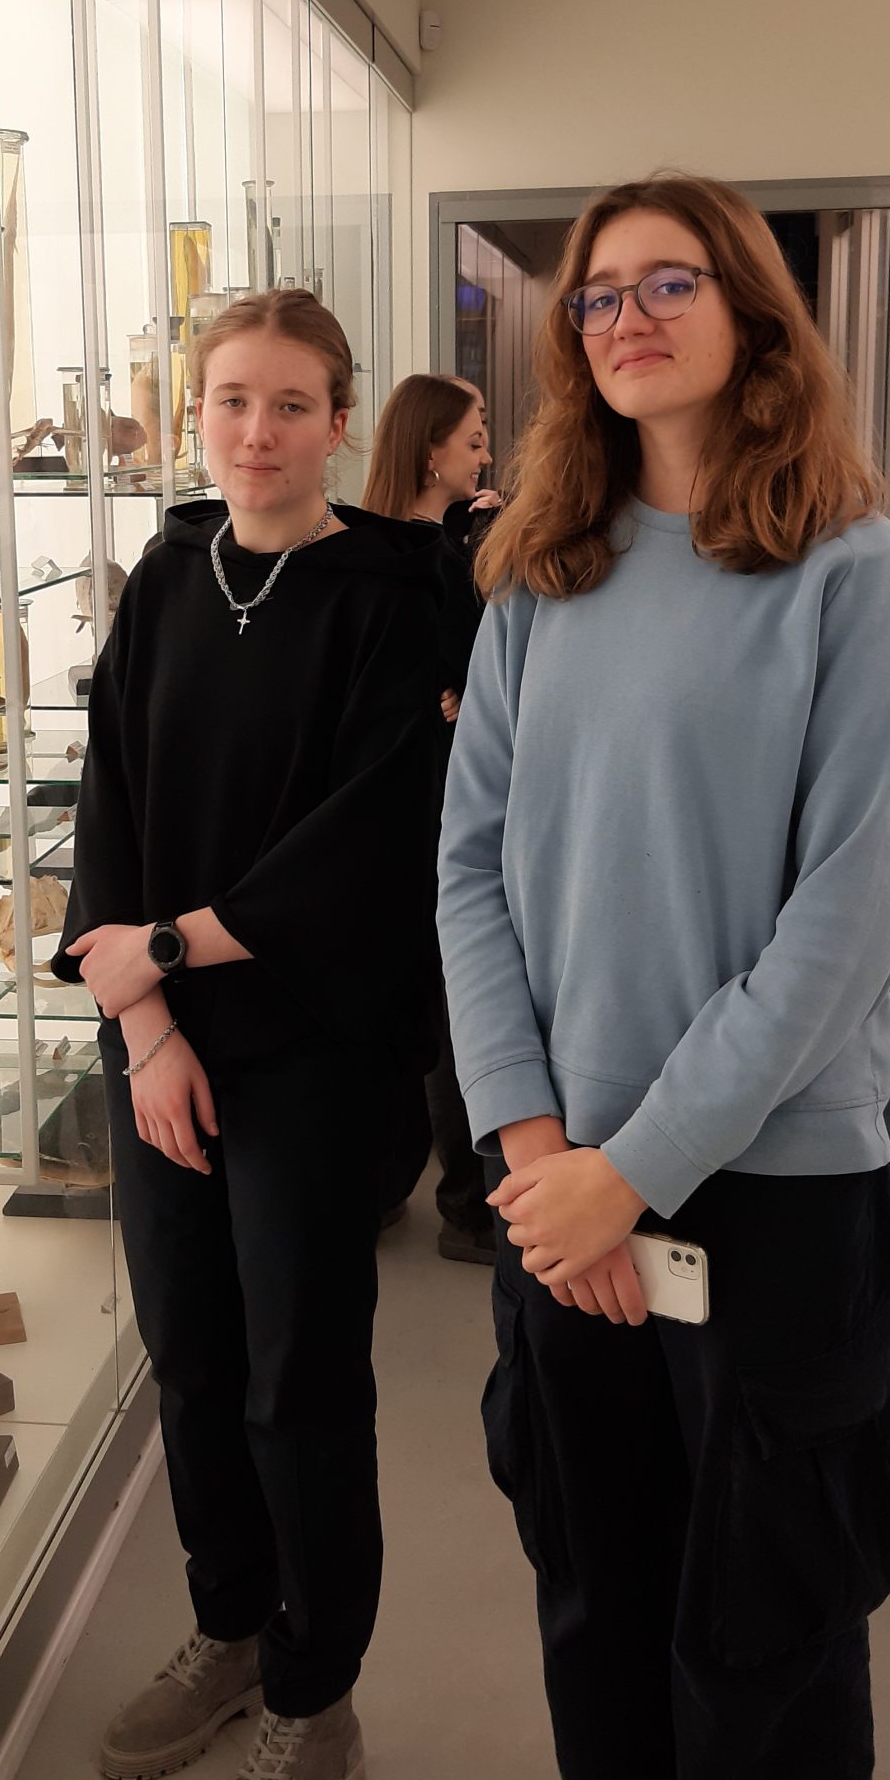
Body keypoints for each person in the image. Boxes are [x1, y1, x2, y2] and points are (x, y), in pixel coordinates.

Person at [439, 173, 890, 1780]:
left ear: (750, 312)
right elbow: (469, 868)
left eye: (669, 284)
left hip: (768, 1177)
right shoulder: (538, 572)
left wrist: (629, 1174)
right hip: (558, 1175)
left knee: (768, 1560)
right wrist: (535, 1146)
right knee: (593, 1538)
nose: (627, 319)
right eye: (597, 296)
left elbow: (844, 923)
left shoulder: (850, 572)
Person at [53, 289, 443, 1780]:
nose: (256, 431)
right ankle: (228, 1625)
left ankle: (313, 1700)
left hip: (313, 1052)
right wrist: (146, 1020)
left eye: (289, 403)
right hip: (162, 1050)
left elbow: (379, 834)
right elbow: (110, 796)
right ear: (194, 410)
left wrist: (168, 951)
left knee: (300, 1376)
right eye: (229, 400)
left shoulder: (402, 595)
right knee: (193, 1354)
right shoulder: (164, 578)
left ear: (342, 418)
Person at [364, 370, 500, 1261]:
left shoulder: (379, 546)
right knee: (454, 1006)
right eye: (474, 439)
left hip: (395, 809)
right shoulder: (437, 563)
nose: (485, 454)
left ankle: (387, 1183)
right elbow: (479, 679)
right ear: (430, 454)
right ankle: (466, 1205)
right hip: (440, 807)